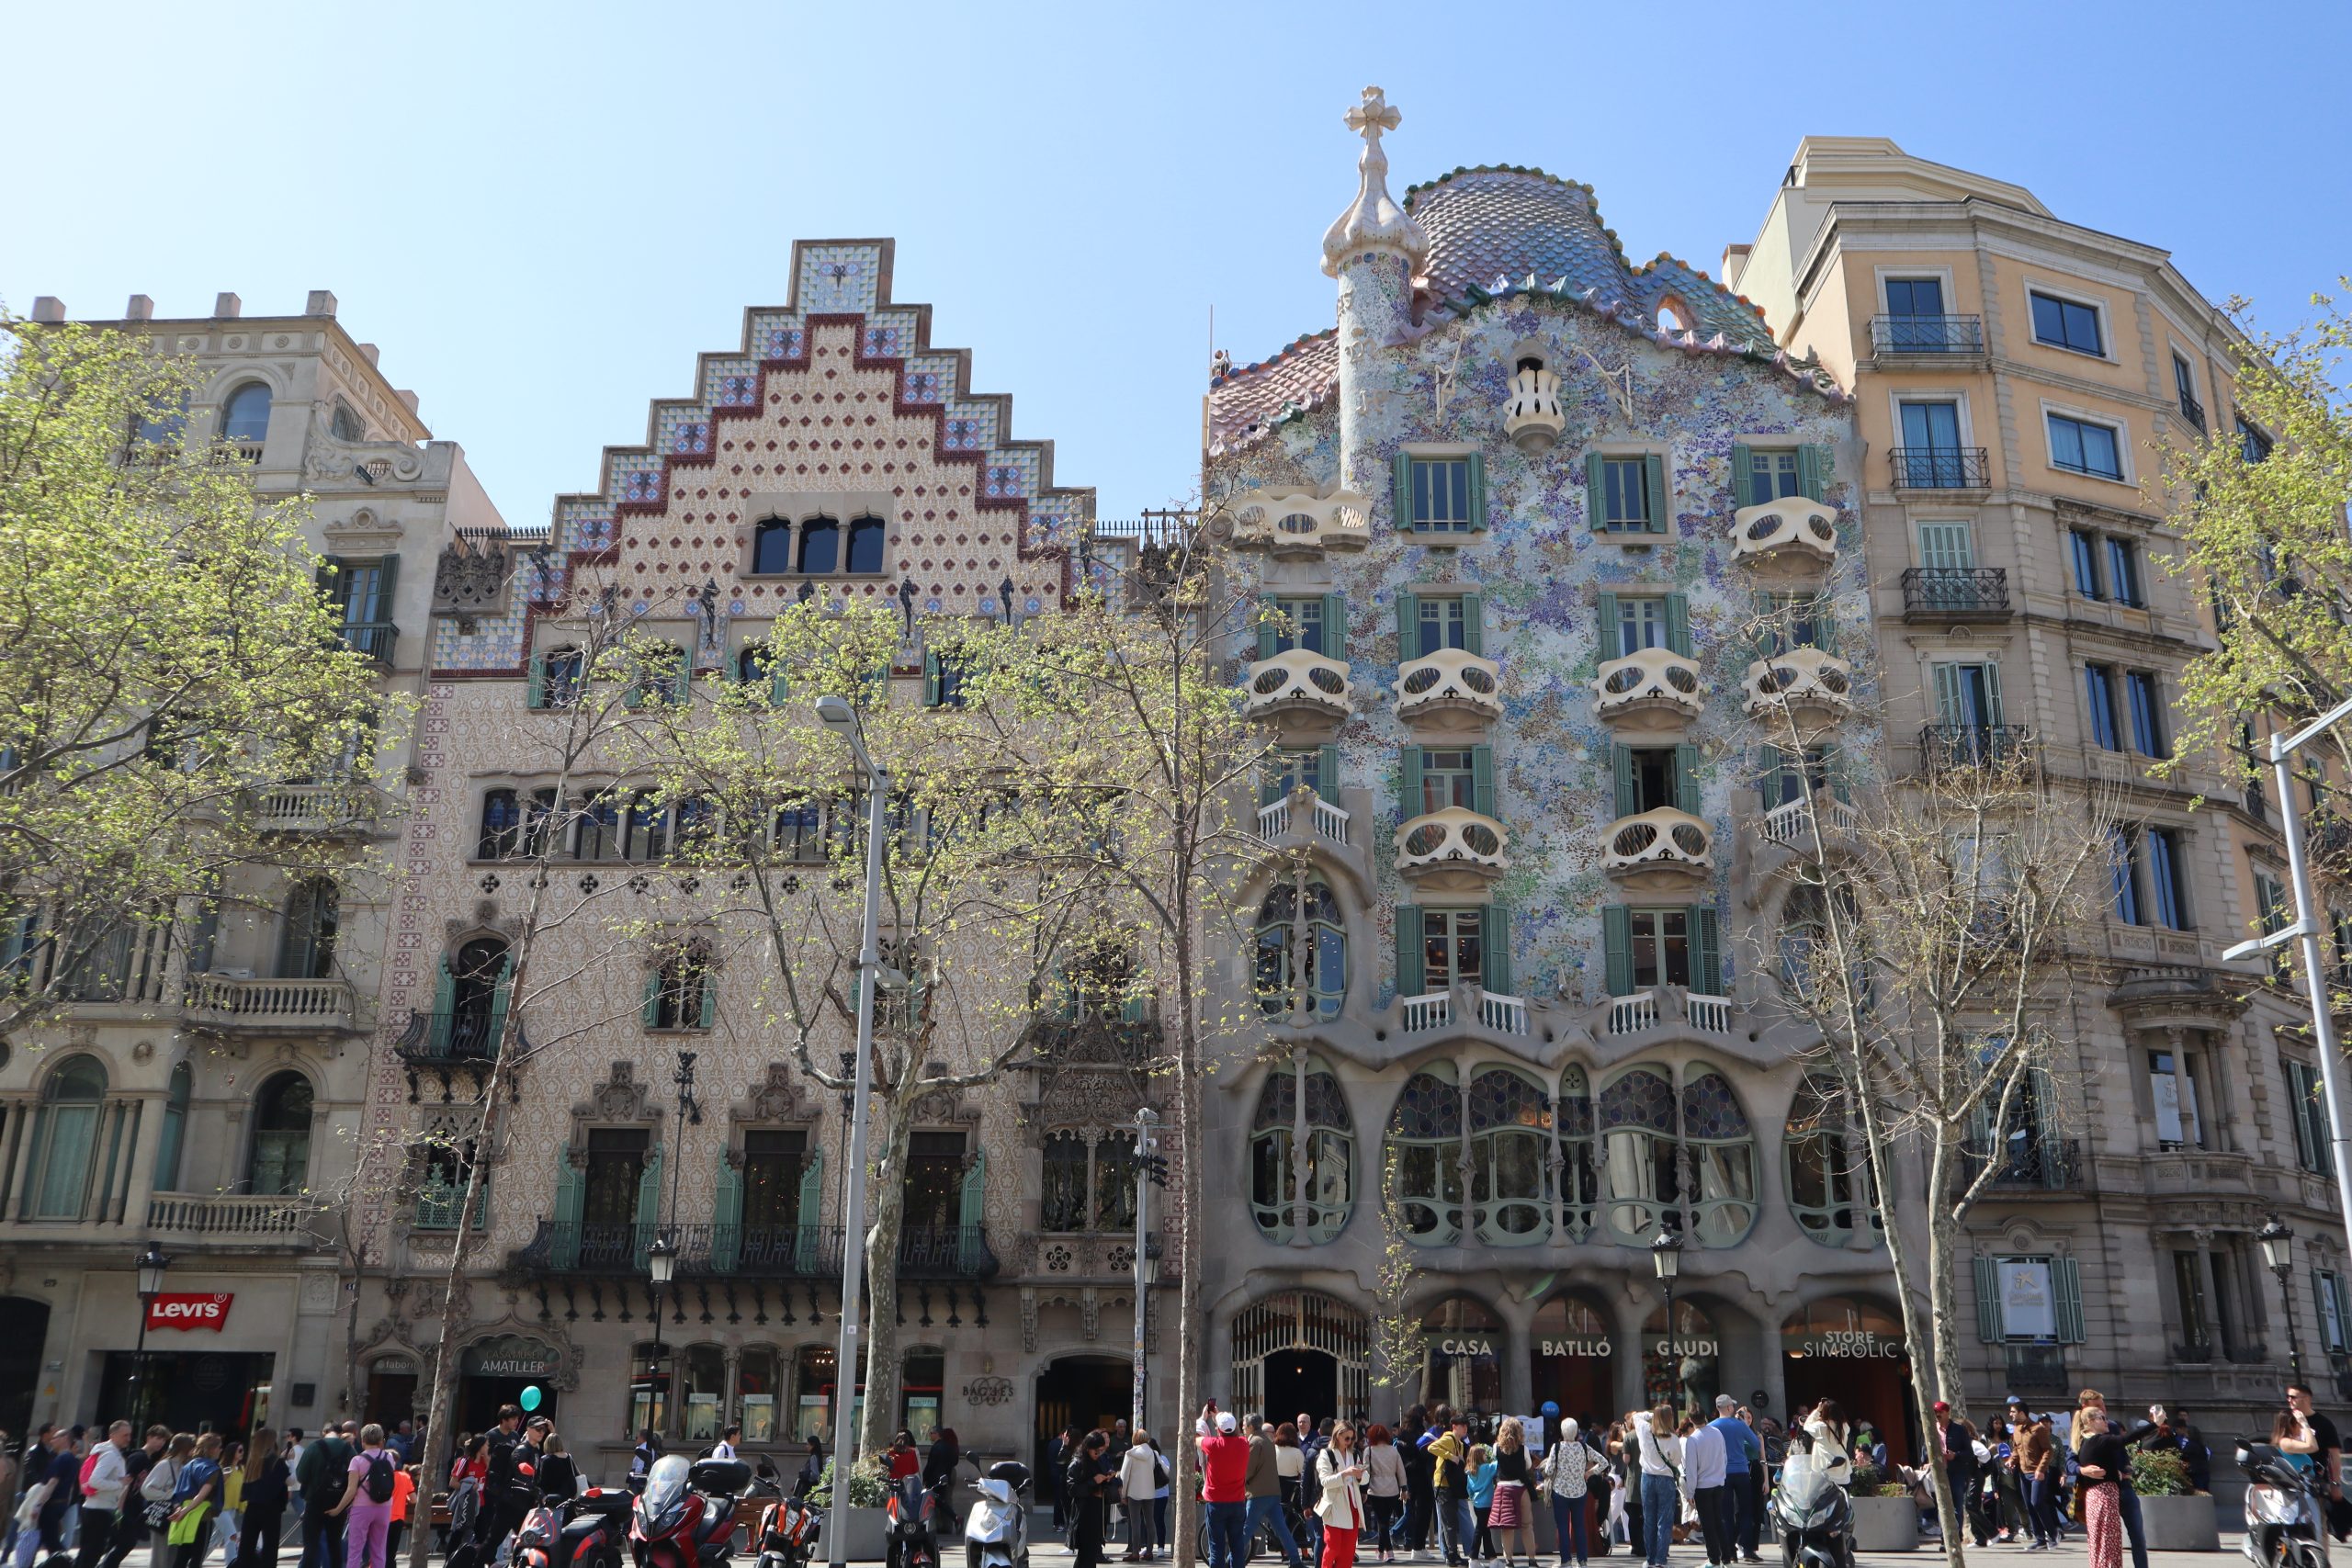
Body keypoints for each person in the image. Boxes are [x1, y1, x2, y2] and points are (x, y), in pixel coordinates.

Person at [323, 1425, 394, 1568]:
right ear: (381, 1441)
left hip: (362, 1508)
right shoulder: (389, 1458)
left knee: (355, 1551)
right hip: (384, 1507)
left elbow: (351, 1490)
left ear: (363, 1441)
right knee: (379, 1551)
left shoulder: (357, 1460)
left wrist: (338, 1509)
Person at [1538, 1417, 1600, 1568]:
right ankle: (1582, 1561)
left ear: (1562, 1431)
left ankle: (1566, 1561)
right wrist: (1589, 1473)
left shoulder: (1557, 1447)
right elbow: (1603, 1462)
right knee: (1579, 1526)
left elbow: (1549, 1470)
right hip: (1579, 1491)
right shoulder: (1583, 1447)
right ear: (1576, 1431)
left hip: (1561, 1492)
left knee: (1563, 1527)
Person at [1242, 1419, 1305, 1568]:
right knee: (1282, 1529)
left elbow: (1248, 1470)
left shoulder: (1255, 1443)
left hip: (1258, 1493)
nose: (1243, 1428)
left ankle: (1231, 1560)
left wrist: (1241, 1483)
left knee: (1247, 1528)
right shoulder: (1268, 1442)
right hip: (1273, 1493)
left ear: (1251, 1427)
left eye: (1244, 1425)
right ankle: (1295, 1559)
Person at [2289, 1382, 2346, 1539]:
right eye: (2288, 1397)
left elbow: (2334, 1455)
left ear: (2306, 1399)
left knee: (2318, 1527)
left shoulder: (2323, 1423)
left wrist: (2335, 1484)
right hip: (2290, 1482)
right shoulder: (2287, 1421)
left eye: (2293, 1397)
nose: (2289, 1400)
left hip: (2315, 1481)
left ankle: (2321, 1560)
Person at [1703, 1399, 1757, 1566]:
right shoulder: (1740, 1425)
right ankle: (1747, 1548)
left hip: (1722, 1473)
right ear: (1728, 1407)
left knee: (1725, 1514)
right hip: (1741, 1470)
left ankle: (1730, 1551)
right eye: (1732, 1405)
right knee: (1746, 1511)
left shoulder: (1711, 1426)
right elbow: (1755, 1444)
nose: (1734, 1407)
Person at [1197, 1409, 1251, 1568]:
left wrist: (1203, 1417)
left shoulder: (1213, 1444)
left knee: (1216, 1548)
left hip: (1216, 1503)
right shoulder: (1244, 1443)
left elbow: (1197, 1438)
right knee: (1237, 1548)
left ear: (1218, 1430)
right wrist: (1218, 1416)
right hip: (1237, 1502)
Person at [72, 1424, 130, 1568]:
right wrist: (119, 1484)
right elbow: (95, 1480)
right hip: (99, 1511)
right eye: (125, 1435)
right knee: (92, 1554)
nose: (128, 1439)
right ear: (112, 1435)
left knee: (87, 1554)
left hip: (95, 1508)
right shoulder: (110, 1454)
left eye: (129, 1435)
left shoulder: (107, 1452)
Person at [2074, 1412, 2127, 1568]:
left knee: (2099, 1540)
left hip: (2094, 1495)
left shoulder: (2085, 1443)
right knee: (2107, 1540)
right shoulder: (2099, 1440)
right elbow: (2127, 1439)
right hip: (2105, 1495)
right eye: (2102, 1418)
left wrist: (2117, 1473)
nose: (2106, 1422)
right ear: (2090, 1422)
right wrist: (2155, 1424)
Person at [294, 1424, 351, 1568]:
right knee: (335, 1544)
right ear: (339, 1433)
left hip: (314, 1502)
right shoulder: (349, 1449)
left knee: (310, 1546)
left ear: (324, 1432)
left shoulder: (314, 1447)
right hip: (339, 1503)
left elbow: (300, 1476)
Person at [1629, 1408, 1678, 1568]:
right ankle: (1661, 1560)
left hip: (1647, 1477)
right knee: (1664, 1521)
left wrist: (1652, 1415)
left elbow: (1635, 1416)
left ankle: (1650, 1559)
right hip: (1666, 1479)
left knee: (1649, 1519)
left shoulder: (1644, 1430)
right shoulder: (1673, 1438)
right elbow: (1676, 1462)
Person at [1316, 1423, 1369, 1568]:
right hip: (1335, 1506)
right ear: (1337, 1435)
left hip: (1353, 1506)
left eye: (1352, 1439)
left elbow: (1366, 1478)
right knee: (1333, 1547)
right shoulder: (1326, 1454)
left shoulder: (1354, 1454)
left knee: (1348, 1551)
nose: (1349, 1442)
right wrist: (1345, 1473)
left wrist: (1359, 1475)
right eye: (1346, 1438)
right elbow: (1325, 1481)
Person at [1679, 1413, 1727, 1568]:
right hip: (1718, 1483)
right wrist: (1722, 1477)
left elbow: (1691, 1469)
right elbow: (1724, 1457)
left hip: (1702, 1485)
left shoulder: (1693, 1440)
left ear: (1691, 1420)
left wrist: (1690, 1492)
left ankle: (1714, 1559)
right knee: (1719, 1521)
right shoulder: (1717, 1433)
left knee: (1708, 1525)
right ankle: (1726, 1557)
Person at [169, 1433, 224, 1568]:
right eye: (219, 1447)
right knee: (197, 1558)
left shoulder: (188, 1466)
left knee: (182, 1557)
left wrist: (180, 1510)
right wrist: (185, 1510)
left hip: (184, 1515)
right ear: (212, 1449)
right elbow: (202, 1494)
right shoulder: (212, 1469)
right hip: (202, 1515)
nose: (221, 1450)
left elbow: (178, 1493)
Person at [1426, 1417, 1475, 1568]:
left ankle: (1450, 1553)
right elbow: (1431, 1448)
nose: (1465, 1429)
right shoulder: (1449, 1438)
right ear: (1454, 1426)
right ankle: (1452, 1554)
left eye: (1466, 1426)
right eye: (1462, 1426)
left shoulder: (1459, 1443)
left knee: (1448, 1520)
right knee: (1449, 1521)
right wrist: (1451, 1456)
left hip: (1450, 1485)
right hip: (1444, 1485)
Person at [239, 1432, 288, 1568]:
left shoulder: (251, 1462)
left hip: (252, 1506)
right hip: (272, 1508)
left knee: (246, 1545)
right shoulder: (276, 1462)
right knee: (270, 1547)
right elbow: (286, 1483)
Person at [1488, 1421, 1534, 1568]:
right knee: (1527, 1525)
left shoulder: (1496, 1448)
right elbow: (1528, 1466)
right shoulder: (1524, 1449)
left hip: (1503, 1489)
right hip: (1521, 1488)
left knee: (1506, 1527)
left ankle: (1509, 1561)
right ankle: (1532, 1560)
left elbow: (1493, 1465)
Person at [1065, 1430, 1114, 1568]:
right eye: (1096, 1451)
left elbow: (1099, 1479)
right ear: (1087, 1448)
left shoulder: (1097, 1461)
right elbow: (1072, 1489)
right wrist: (1093, 1481)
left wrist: (1106, 1478)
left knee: (1090, 1552)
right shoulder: (1077, 1463)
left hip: (1096, 1510)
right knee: (1086, 1553)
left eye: (1101, 1451)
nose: (1098, 1454)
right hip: (1084, 1512)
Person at [2136, 1405, 2209, 1494]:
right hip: (2155, 1470)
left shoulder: (2163, 1432)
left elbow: (2177, 1452)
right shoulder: (2152, 1433)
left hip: (2158, 1471)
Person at [1361, 1426, 1405, 1564]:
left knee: (1382, 1522)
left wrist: (1363, 1490)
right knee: (1384, 1520)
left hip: (1375, 1489)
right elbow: (1400, 1470)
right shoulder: (1393, 1449)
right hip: (1392, 1488)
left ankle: (1389, 1551)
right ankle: (1380, 1552)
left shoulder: (1369, 1450)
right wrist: (1404, 1487)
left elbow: (1366, 1471)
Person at [2018, 1414, 2060, 1551]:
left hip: (2043, 1472)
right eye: (2043, 1421)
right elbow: (2017, 1449)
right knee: (2031, 1505)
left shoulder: (2049, 1436)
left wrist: (2042, 1469)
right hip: (2025, 1472)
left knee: (2038, 1502)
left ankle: (2054, 1533)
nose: (2045, 1424)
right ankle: (2040, 1539)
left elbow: (2052, 1453)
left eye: (2047, 1421)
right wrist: (2012, 1461)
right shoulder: (2019, 1431)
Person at [1118, 1431, 1159, 1562]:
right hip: (1150, 1491)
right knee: (1150, 1522)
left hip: (1134, 1493)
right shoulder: (1153, 1453)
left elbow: (1124, 1476)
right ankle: (1150, 1551)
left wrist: (1123, 1494)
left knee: (1135, 1523)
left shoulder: (1130, 1454)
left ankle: (1135, 1552)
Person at [217, 1441, 247, 1568]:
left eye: (242, 1450)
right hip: (221, 1507)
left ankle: (197, 1560)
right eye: (239, 1450)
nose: (242, 1453)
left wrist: (243, 1505)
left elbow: (242, 1488)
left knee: (216, 1538)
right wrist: (224, 1477)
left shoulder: (241, 1469)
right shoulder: (221, 1467)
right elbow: (217, 1487)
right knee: (232, 1535)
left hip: (233, 1507)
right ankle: (231, 1564)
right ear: (232, 1452)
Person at [537, 1435, 576, 1503]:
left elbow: (542, 1482)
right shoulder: (568, 1457)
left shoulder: (546, 1459)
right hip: (568, 1498)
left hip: (551, 1498)